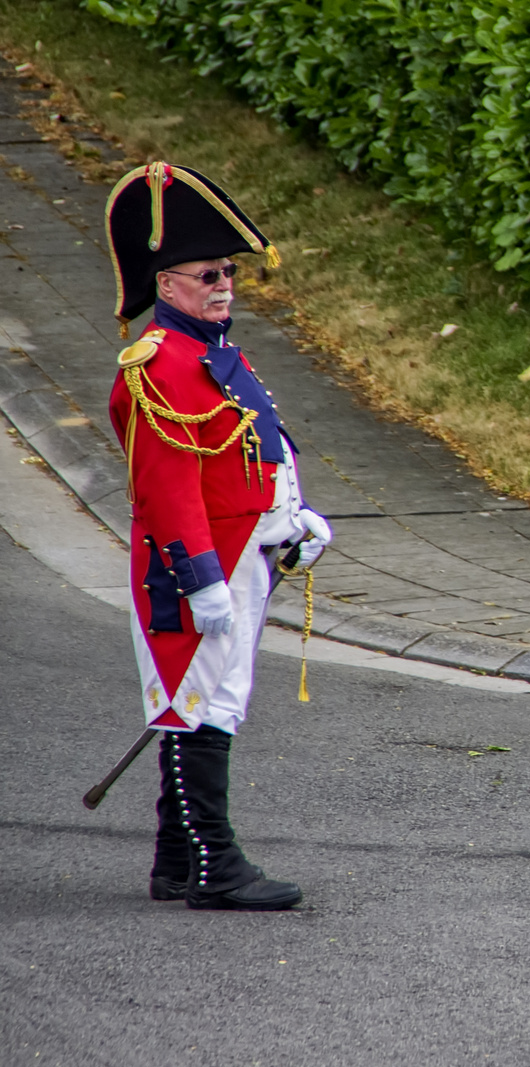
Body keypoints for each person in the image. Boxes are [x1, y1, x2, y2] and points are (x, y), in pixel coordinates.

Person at [105, 162, 330, 911]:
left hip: (244, 553)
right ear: (166, 284)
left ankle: (176, 863)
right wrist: (202, 579)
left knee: (201, 700)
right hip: (197, 569)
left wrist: (290, 520)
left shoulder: (215, 352)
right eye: (207, 274)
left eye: (228, 271)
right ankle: (212, 867)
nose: (223, 284)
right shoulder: (154, 368)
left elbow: (252, 450)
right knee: (200, 703)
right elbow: (165, 490)